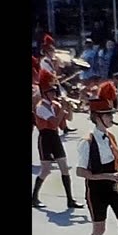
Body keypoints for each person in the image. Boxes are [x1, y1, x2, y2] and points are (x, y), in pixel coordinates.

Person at [76, 81, 118, 235]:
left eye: (110, 114)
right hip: (97, 191)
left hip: (115, 187)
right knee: (99, 229)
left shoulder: (111, 136)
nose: (111, 117)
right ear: (97, 117)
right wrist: (108, 176)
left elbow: (114, 162)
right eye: (107, 115)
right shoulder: (87, 142)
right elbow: (80, 172)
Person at [32, 69, 84, 209]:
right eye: (51, 92)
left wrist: (69, 108)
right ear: (45, 94)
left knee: (64, 168)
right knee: (46, 170)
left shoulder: (56, 105)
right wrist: (62, 110)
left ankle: (70, 200)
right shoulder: (40, 107)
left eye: (54, 92)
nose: (54, 94)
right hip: (45, 138)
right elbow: (54, 122)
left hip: (55, 138)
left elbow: (66, 121)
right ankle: (34, 197)